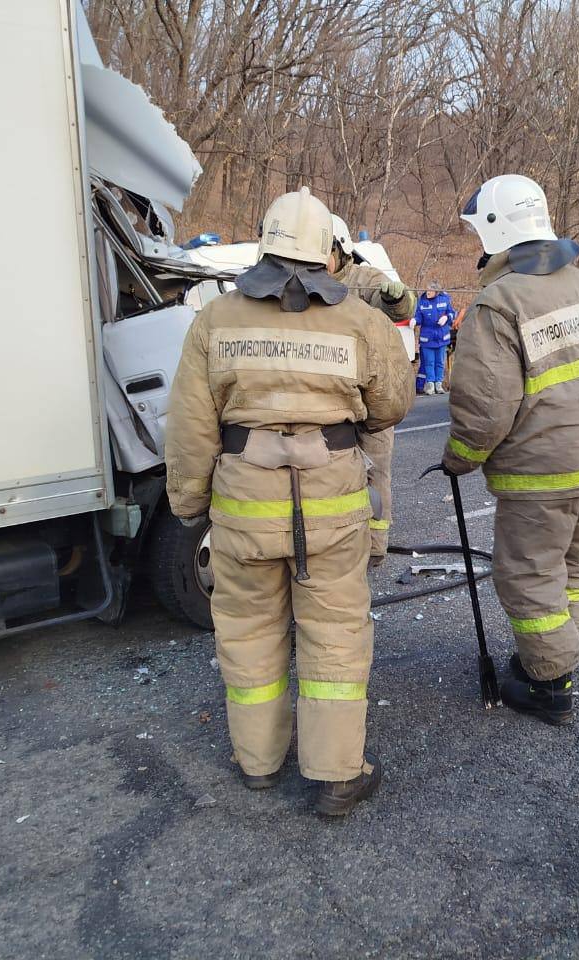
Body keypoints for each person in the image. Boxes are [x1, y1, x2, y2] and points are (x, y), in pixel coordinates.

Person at [165, 187, 412, 817]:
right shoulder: (359, 320)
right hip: (331, 510)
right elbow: (391, 405)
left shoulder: (216, 319)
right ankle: (335, 777)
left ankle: (258, 763)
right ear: (327, 250)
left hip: (244, 508)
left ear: (265, 242)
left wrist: (191, 503)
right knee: (334, 633)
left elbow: (192, 426)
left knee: (248, 631)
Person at [442, 174, 579, 725]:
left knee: (528, 574)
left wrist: (460, 457)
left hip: (541, 471)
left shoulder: (501, 302)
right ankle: (555, 661)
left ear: (496, 228)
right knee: (572, 568)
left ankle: (549, 685)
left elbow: (484, 404)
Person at [329, 214, 417, 564]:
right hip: (335, 397)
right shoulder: (303, 281)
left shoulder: (361, 278)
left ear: (341, 248)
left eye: (326, 249)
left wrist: (396, 299)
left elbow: (398, 304)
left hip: (371, 396)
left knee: (375, 470)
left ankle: (375, 546)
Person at [413, 280, 455, 394]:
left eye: (431, 290)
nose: (428, 292)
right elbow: (419, 317)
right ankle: (430, 384)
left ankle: (439, 384)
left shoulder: (444, 299)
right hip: (427, 339)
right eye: (427, 289)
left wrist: (446, 317)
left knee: (440, 362)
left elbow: (452, 313)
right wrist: (414, 321)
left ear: (436, 292)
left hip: (442, 337)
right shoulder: (422, 301)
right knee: (429, 362)